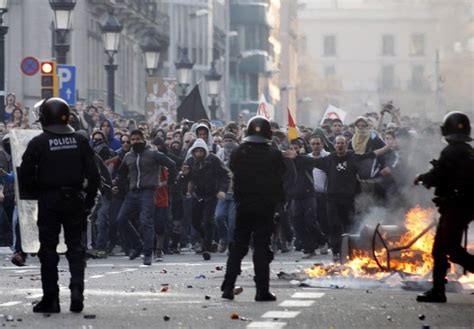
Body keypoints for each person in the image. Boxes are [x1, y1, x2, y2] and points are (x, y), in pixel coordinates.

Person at [19, 98, 100, 313]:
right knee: (76, 248)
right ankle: (76, 293)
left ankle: (51, 299)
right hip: (75, 199)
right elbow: (94, 175)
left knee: (48, 250)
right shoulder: (80, 141)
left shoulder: (38, 142)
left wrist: (36, 192)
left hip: (49, 200)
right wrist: (88, 202)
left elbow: (25, 174)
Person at [221, 116, 286, 301]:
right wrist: (279, 204)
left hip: (243, 205)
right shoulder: (273, 153)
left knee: (238, 246)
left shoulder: (239, 151)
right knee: (261, 247)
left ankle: (228, 287)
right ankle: (261, 290)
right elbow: (281, 177)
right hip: (265, 206)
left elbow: (232, 169)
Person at [414, 111, 474, 303]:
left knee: (447, 249)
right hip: (462, 207)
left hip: (455, 207)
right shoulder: (467, 151)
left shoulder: (451, 151)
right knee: (444, 249)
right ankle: (438, 290)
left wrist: (422, 178)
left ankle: (438, 291)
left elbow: (438, 174)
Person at [113, 129, 177, 266]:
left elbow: (172, 165)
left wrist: (170, 182)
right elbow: (121, 173)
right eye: (133, 140)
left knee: (145, 221)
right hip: (132, 192)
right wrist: (117, 184)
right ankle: (137, 244)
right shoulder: (128, 156)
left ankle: (148, 253)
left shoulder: (153, 154)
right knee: (121, 219)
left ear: (143, 139)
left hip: (148, 192)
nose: (135, 142)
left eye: (137, 139)